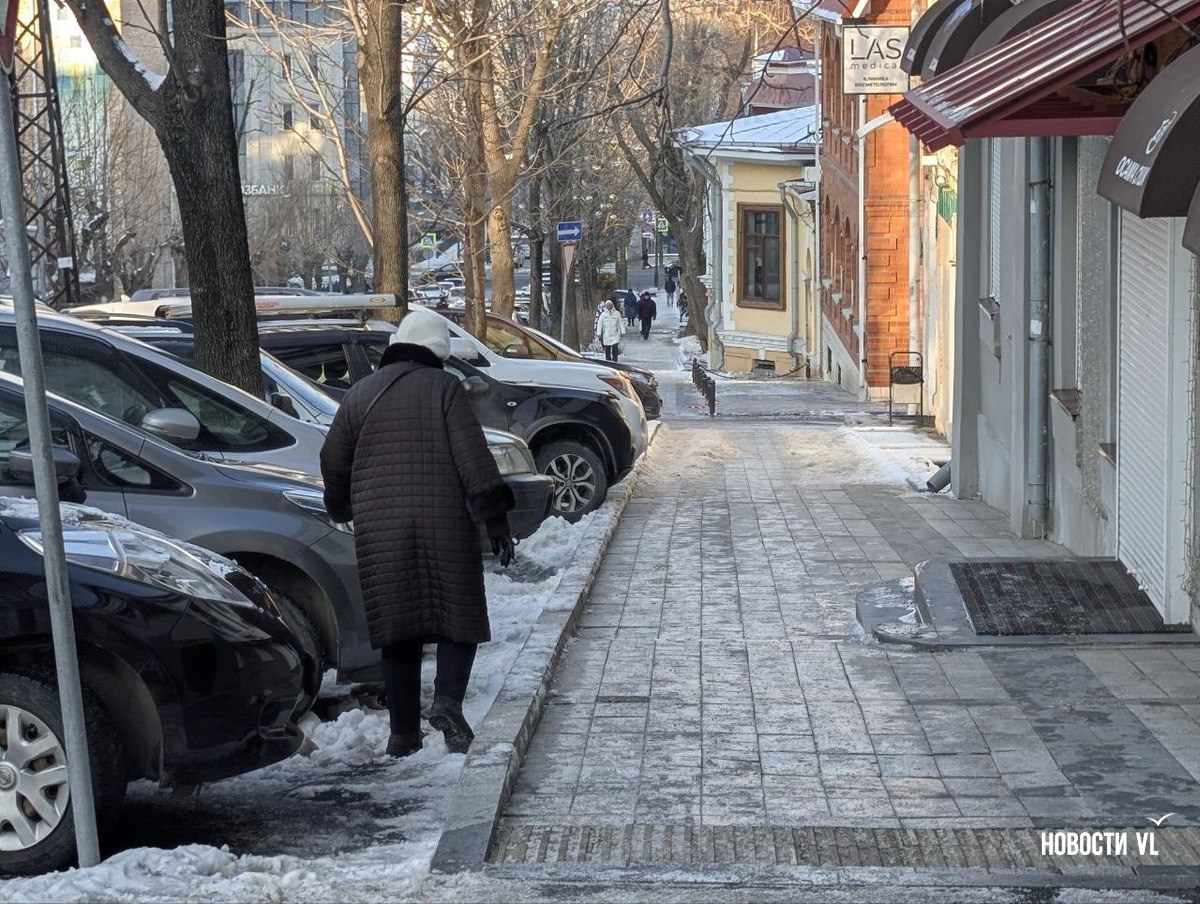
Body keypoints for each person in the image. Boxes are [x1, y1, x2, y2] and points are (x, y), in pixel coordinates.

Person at [320, 309, 516, 759]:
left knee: (398, 630)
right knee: (459, 618)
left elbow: (332, 458)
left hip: (380, 529)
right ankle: (447, 701)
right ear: (439, 351)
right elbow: (473, 457)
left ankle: (403, 734)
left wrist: (341, 506)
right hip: (445, 523)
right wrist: (496, 521)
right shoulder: (444, 387)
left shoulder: (360, 393)